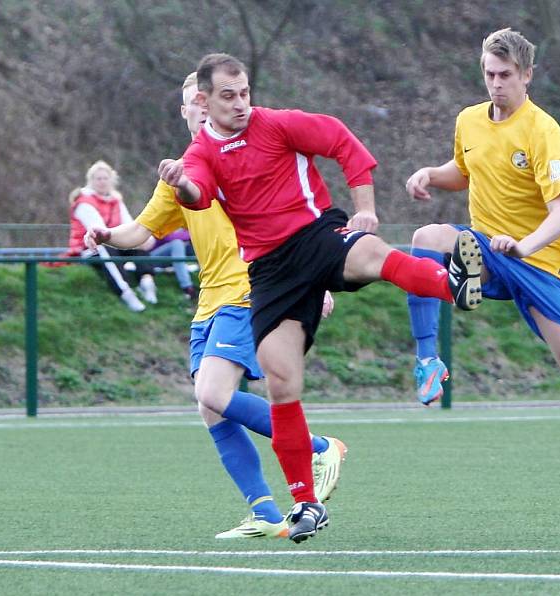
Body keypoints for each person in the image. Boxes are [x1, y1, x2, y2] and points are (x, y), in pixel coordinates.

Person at [158, 53, 482, 543]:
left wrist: (365, 209)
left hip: (315, 235)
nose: (241, 103)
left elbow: (341, 141)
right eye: (228, 95)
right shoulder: (201, 152)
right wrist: (181, 183)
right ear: (203, 100)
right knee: (282, 384)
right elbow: (198, 194)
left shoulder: (278, 124)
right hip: (269, 271)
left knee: (373, 253)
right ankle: (306, 504)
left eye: (245, 92)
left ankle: (453, 284)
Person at [404, 28, 560, 522]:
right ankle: (428, 360)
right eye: (488, 74)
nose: (495, 84)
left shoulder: (544, 131)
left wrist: (523, 245)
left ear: (527, 75)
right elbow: (465, 171)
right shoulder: (468, 121)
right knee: (426, 239)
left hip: (542, 264)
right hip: (488, 250)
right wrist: (430, 175)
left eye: (505, 75)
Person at [85, 72, 347, 540]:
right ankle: (265, 513)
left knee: (213, 393)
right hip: (210, 300)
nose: (204, 108)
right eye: (194, 102)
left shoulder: (247, 155)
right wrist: (107, 236)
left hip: (253, 289)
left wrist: (314, 281)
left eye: (210, 100)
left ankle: (319, 448)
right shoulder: (184, 173)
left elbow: (297, 221)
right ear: (186, 110)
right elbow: (142, 233)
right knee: (211, 408)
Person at [67, 161, 158, 312]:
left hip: (114, 242)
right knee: (105, 249)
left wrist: (140, 238)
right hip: (90, 248)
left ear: (111, 180)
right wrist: (122, 238)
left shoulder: (116, 200)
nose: (102, 182)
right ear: (91, 181)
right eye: (98, 178)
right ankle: (125, 292)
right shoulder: (83, 202)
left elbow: (129, 223)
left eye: (105, 178)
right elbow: (97, 231)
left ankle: (147, 281)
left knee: (138, 242)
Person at [149, 228, 198, 300]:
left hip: (174, 257)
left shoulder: (186, 223)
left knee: (200, 244)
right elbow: (168, 237)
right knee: (177, 243)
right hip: (153, 258)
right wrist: (190, 234)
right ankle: (187, 287)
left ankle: (207, 283)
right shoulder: (164, 221)